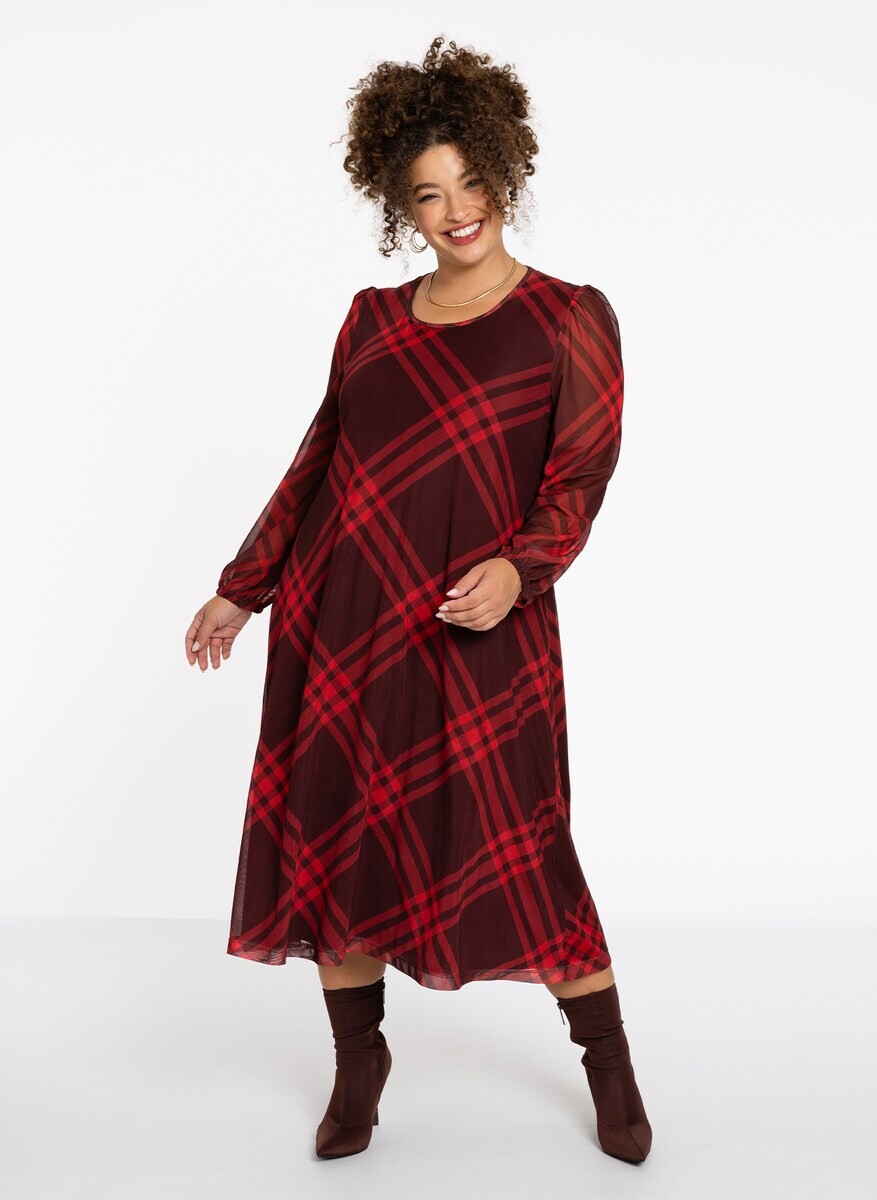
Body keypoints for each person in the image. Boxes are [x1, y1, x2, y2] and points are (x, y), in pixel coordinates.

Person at [185, 35, 651, 1164]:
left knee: (523, 846)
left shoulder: (569, 316)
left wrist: (522, 569)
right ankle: (359, 1065)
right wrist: (242, 590)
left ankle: (609, 1063)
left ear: (505, 172)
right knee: (340, 841)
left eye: (471, 182)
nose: (456, 210)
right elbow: (318, 462)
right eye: (428, 194)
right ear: (401, 206)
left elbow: (579, 476)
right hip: (344, 624)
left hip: (480, 629)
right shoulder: (370, 319)